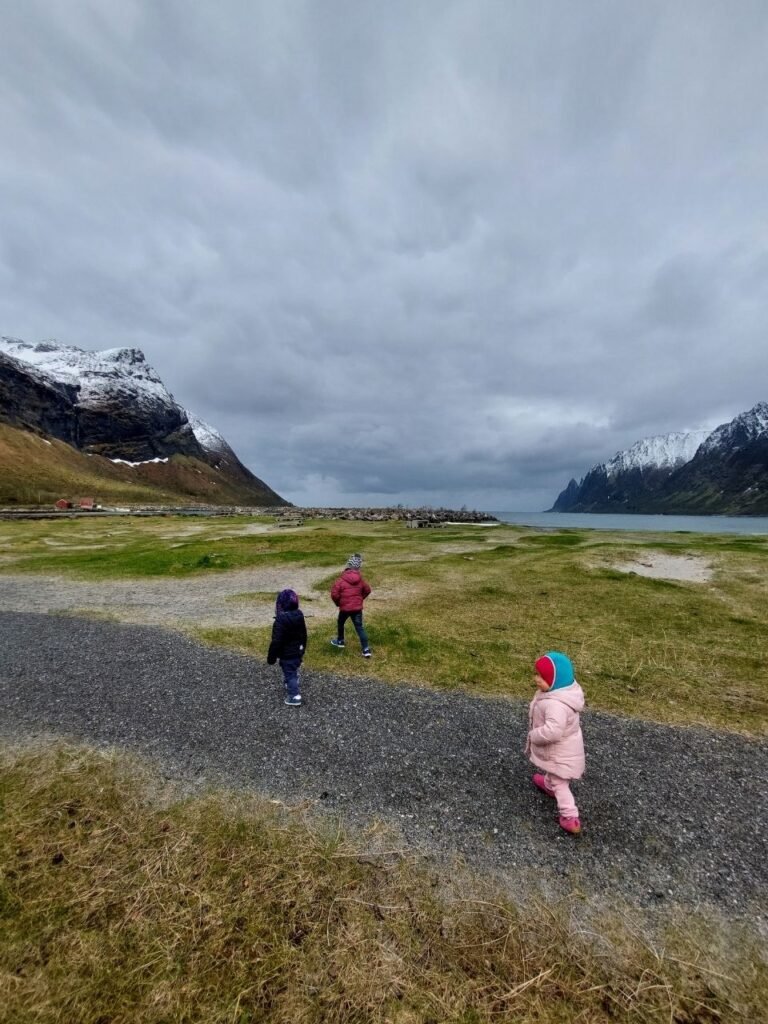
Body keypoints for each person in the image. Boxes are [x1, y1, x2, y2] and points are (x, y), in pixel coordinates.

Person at [526, 650, 585, 834]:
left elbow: (553, 731)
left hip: (560, 753)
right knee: (554, 774)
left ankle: (570, 817)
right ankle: (548, 784)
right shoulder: (561, 693)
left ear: (555, 681)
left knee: (561, 783)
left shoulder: (555, 704)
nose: (537, 679)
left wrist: (534, 735)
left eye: (542, 677)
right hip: (563, 751)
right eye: (537, 674)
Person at [267, 589, 307, 707]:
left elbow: (276, 641)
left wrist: (271, 657)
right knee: (291, 669)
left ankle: (294, 696)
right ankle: (290, 681)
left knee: (290, 673)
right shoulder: (299, 615)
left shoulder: (280, 620)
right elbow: (304, 634)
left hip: (287, 654)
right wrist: (302, 648)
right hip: (297, 651)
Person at [330, 553, 372, 657]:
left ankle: (340, 641)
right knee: (359, 627)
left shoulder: (340, 581)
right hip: (357, 609)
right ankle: (366, 650)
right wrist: (360, 599)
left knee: (340, 623)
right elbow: (368, 590)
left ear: (347, 567)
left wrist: (338, 603)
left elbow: (334, 594)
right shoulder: (360, 580)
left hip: (344, 609)